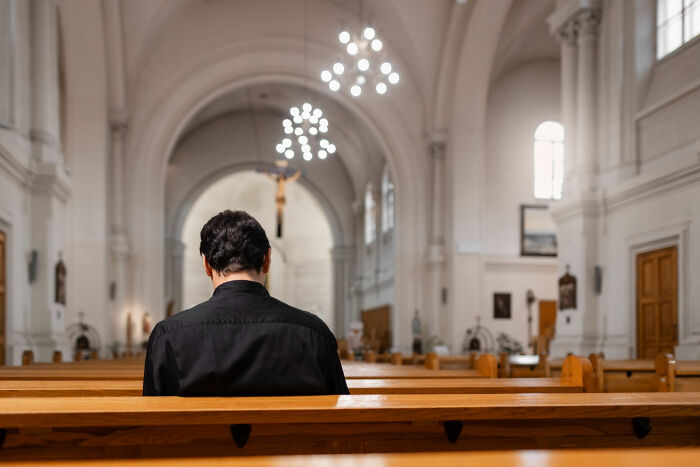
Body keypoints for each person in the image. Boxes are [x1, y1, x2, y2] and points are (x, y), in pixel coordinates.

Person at [143, 210, 348, 396]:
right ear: (267, 259)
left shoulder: (167, 336)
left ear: (206, 264)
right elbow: (341, 419)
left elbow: (150, 427)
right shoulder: (315, 334)